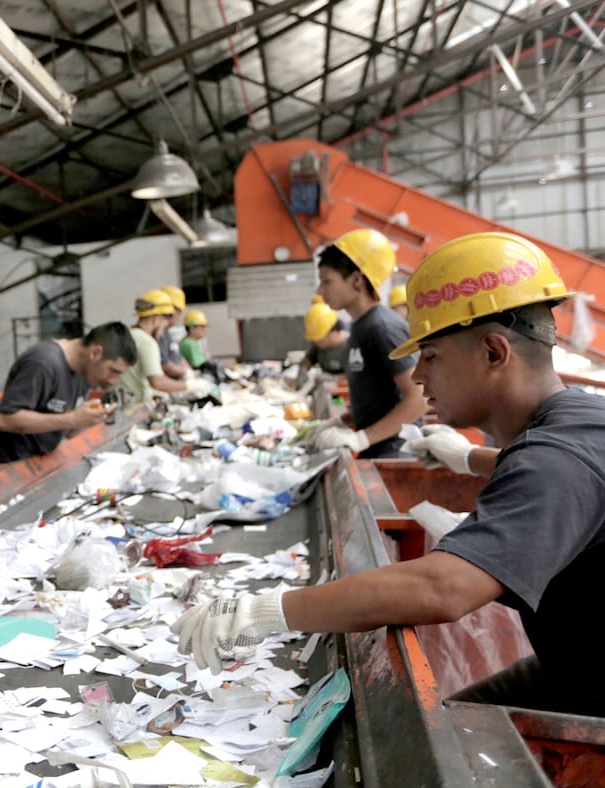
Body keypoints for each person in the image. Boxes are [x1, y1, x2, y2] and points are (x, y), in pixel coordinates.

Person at [173, 231, 605, 716]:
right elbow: (548, 470)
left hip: (591, 687)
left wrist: (267, 611)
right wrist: (466, 458)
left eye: (432, 356)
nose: (419, 377)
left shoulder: (556, 459)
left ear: (493, 353)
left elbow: (443, 588)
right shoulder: (580, 422)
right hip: (574, 664)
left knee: (455, 755)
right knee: (459, 723)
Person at [310, 229, 426, 457]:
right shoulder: (360, 327)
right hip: (378, 449)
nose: (320, 291)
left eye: (327, 281)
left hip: (395, 454)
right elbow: (379, 396)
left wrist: (362, 438)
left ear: (356, 280)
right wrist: (343, 422)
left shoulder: (382, 327)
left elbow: (418, 398)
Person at [0, 322, 137, 463]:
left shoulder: (83, 371)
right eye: (113, 371)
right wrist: (71, 418)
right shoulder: (44, 362)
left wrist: (98, 416)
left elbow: (70, 431)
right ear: (95, 353)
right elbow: (5, 419)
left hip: (43, 464)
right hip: (11, 469)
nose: (112, 381)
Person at [118, 290, 189, 406]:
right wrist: (189, 386)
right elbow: (158, 382)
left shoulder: (129, 335)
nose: (164, 328)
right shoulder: (147, 342)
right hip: (135, 407)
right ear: (156, 318)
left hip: (123, 404)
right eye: (165, 323)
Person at [298, 295, 349, 375]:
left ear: (333, 332)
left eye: (318, 339)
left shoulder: (353, 346)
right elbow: (308, 360)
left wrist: (336, 381)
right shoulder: (319, 347)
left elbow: (359, 376)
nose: (315, 342)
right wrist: (302, 371)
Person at [158, 285, 189, 379]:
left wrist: (192, 373)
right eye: (179, 311)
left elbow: (179, 358)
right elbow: (165, 365)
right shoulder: (159, 333)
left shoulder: (167, 332)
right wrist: (186, 373)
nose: (179, 315)